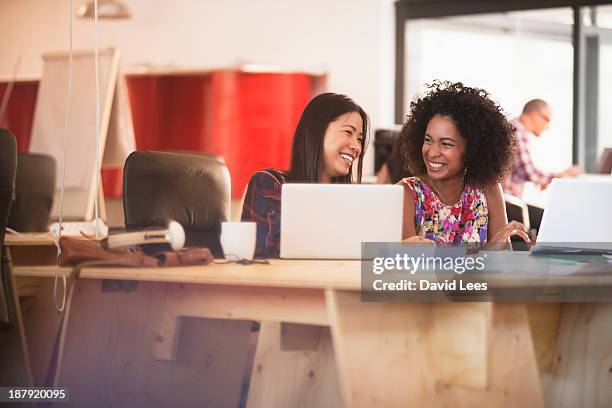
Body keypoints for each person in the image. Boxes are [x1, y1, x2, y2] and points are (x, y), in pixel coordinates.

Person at [399, 80, 529, 247]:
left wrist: (500, 247)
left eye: (446, 144)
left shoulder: (487, 188)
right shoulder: (407, 194)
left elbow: (503, 265)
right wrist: (489, 251)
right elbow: (406, 266)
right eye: (428, 140)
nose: (432, 152)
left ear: (472, 149)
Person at [241, 92, 369, 257]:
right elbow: (268, 254)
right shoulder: (269, 184)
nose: (356, 147)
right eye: (348, 132)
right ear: (318, 131)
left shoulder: (356, 200)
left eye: (360, 139)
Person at [502, 99, 581, 198]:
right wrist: (562, 175)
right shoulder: (516, 131)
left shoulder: (512, 128)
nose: (547, 126)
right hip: (507, 203)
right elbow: (528, 172)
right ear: (535, 115)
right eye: (547, 119)